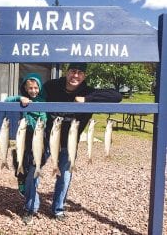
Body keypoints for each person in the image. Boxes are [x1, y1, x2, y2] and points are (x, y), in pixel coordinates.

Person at [43, 63, 123, 220]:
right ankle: (30, 205)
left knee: (65, 174)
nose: (75, 75)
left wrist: (87, 99)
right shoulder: (51, 86)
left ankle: (58, 209)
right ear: (67, 73)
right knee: (33, 167)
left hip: (69, 143)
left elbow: (117, 96)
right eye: (73, 71)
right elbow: (30, 89)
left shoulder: (88, 91)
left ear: (84, 76)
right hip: (47, 138)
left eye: (80, 73)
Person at [5, 72, 48, 225]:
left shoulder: (43, 100)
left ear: (40, 88)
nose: (33, 91)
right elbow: (6, 100)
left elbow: (44, 118)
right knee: (21, 170)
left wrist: (39, 121)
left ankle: (30, 208)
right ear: (25, 88)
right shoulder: (22, 99)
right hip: (23, 141)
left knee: (32, 175)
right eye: (30, 88)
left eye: (36, 88)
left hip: (38, 142)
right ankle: (25, 193)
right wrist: (19, 99)